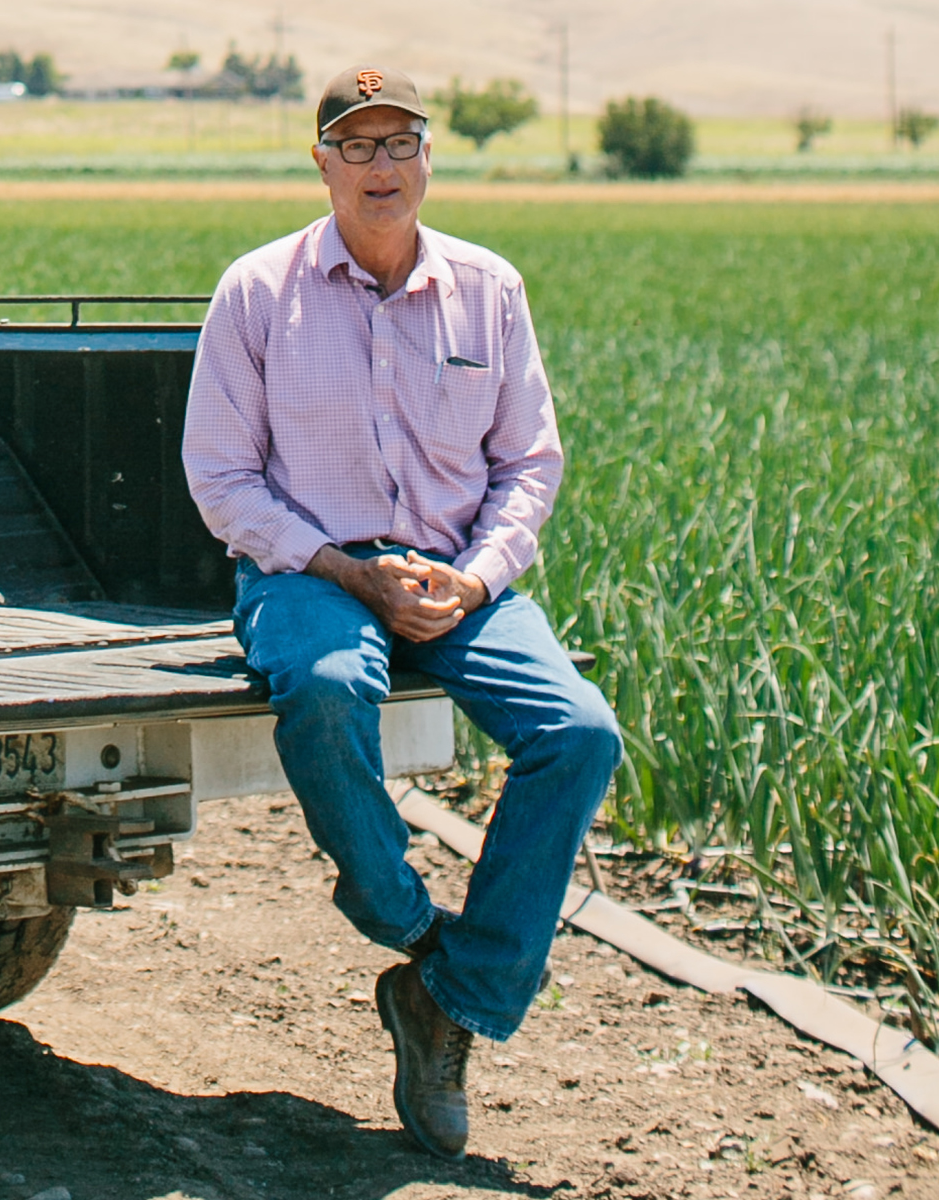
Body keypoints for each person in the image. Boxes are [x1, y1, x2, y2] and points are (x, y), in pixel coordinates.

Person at [180, 65, 623, 1160]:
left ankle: (449, 998)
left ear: (428, 156)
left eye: (400, 143)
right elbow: (221, 478)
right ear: (322, 161)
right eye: (358, 145)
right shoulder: (257, 291)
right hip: (312, 570)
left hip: (457, 574)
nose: (382, 166)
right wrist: (339, 568)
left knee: (581, 734)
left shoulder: (490, 287)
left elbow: (529, 463)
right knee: (327, 691)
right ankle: (411, 928)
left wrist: (476, 576)